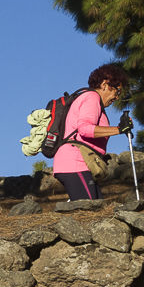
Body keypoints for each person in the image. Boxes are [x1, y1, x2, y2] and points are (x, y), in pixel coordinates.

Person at [51, 63, 131, 201]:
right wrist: (119, 130)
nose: (117, 97)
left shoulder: (91, 99)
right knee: (91, 212)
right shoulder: (92, 98)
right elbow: (85, 129)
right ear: (105, 84)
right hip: (75, 163)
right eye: (117, 91)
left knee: (97, 210)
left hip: (79, 164)